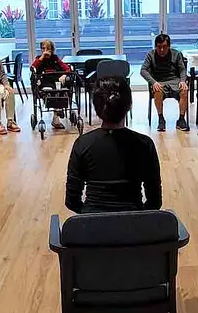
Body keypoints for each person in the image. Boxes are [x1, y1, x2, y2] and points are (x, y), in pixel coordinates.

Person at [65, 75, 161, 213]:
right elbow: (154, 202)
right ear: (129, 106)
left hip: (92, 229)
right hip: (133, 228)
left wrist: (89, 217)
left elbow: (72, 201)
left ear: (97, 108)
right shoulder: (145, 145)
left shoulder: (83, 144)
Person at [140, 33, 189, 132]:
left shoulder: (176, 54)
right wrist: (153, 82)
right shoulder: (151, 55)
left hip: (175, 81)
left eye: (164, 47)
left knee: (184, 90)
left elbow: (182, 70)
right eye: (159, 47)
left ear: (169, 46)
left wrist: (183, 81)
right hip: (159, 81)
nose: (161, 50)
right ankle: (161, 119)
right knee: (158, 90)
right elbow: (143, 70)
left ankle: (181, 119)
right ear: (155, 47)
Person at [31, 39, 72, 129]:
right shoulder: (39, 59)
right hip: (44, 81)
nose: (45, 50)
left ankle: (56, 116)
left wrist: (64, 75)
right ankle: (58, 112)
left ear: (52, 50)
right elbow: (32, 68)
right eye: (43, 48)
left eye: (47, 48)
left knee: (60, 89)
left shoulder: (55, 58)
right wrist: (42, 57)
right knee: (50, 91)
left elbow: (67, 68)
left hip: (56, 81)